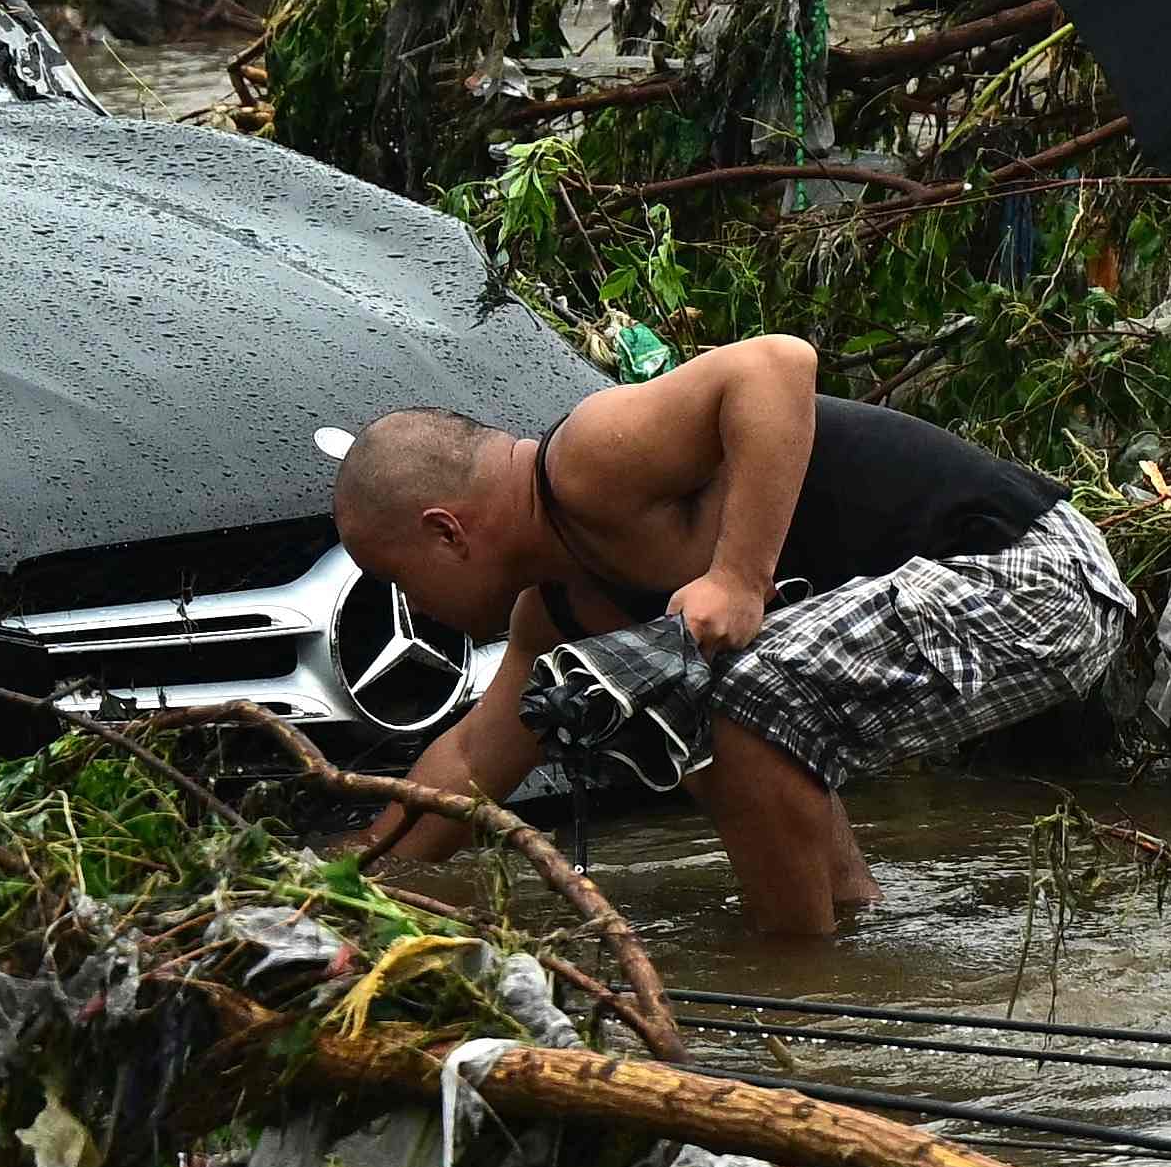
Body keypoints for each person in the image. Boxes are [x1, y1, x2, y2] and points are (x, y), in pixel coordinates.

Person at [331, 334, 1130, 941]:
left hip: (1038, 577)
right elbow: (470, 761)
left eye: (400, 580)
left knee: (741, 701)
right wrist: (344, 879)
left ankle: (800, 986)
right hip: (961, 608)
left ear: (447, 531)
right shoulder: (561, 611)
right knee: (724, 715)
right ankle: (853, 940)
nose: (414, 607)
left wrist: (740, 575)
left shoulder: (587, 460)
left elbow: (778, 362)